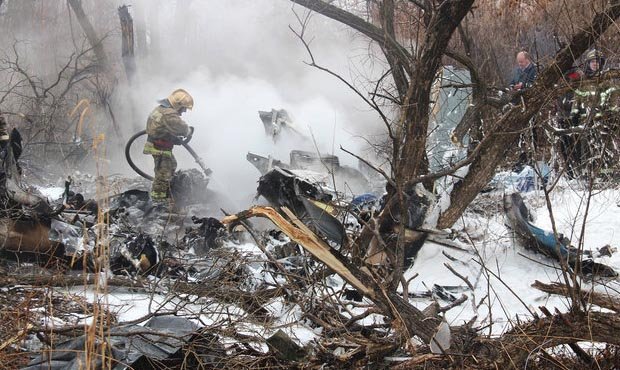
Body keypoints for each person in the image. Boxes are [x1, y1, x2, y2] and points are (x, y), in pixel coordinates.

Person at [143, 89, 194, 205]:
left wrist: (172, 138)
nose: (184, 111)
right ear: (178, 105)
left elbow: (160, 128)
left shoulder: (161, 109)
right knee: (164, 172)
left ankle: (164, 192)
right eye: (183, 108)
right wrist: (189, 131)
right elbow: (181, 128)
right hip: (159, 147)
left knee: (170, 166)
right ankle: (158, 200)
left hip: (158, 144)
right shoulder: (169, 114)